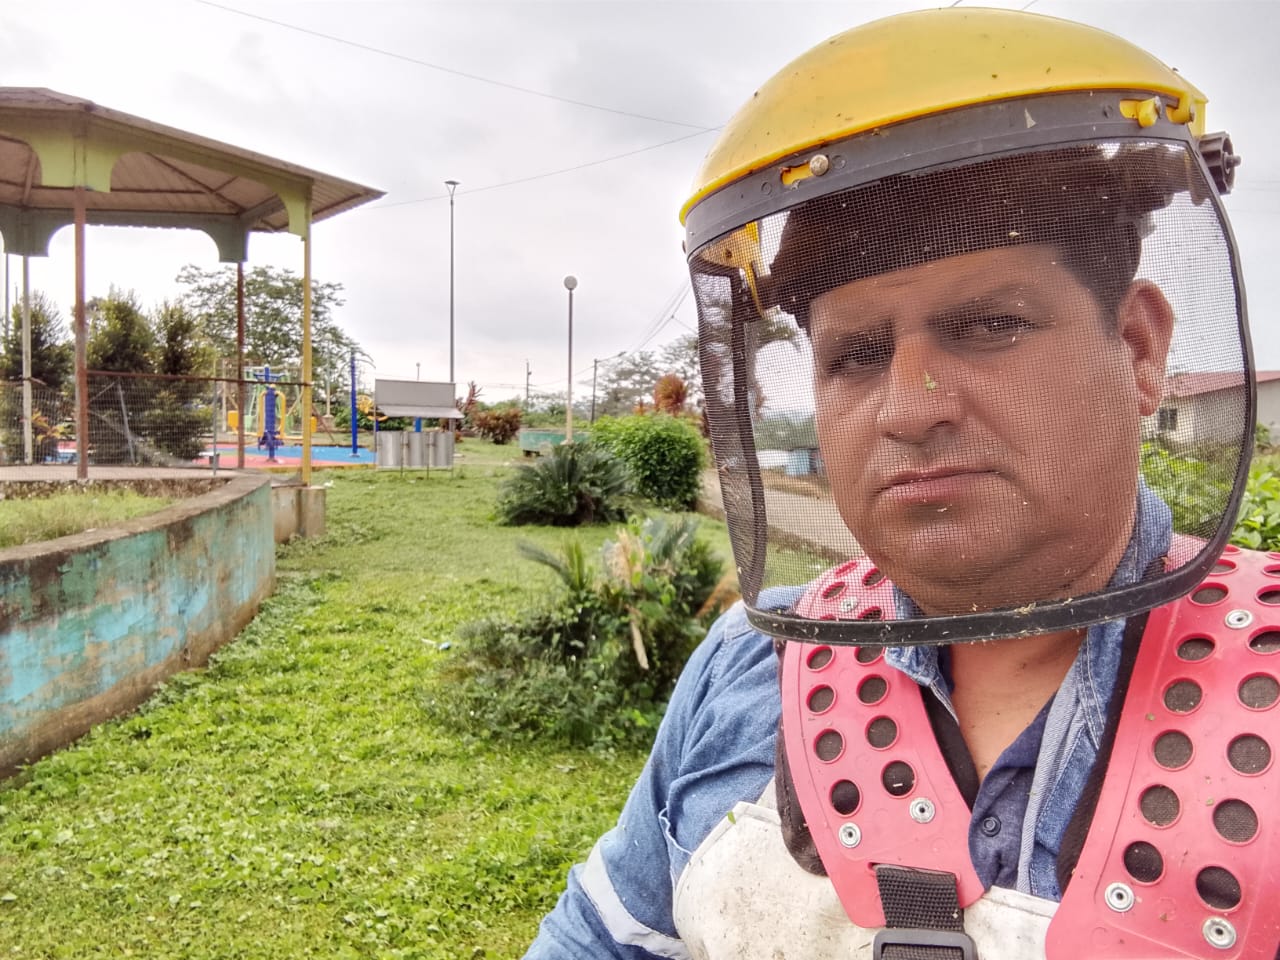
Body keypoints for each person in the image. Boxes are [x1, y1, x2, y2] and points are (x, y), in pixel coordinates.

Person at [525, 8, 1271, 959]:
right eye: (856, 355)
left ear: (1136, 348)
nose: (908, 410)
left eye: (989, 325)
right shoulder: (749, 664)